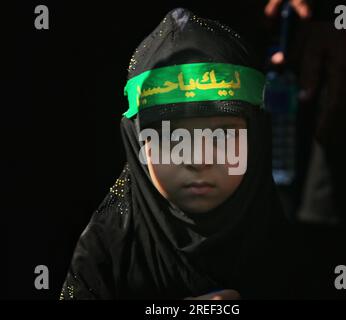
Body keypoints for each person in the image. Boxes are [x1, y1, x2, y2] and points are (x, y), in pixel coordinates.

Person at [60, 7, 294, 300]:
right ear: (136, 143)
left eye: (223, 135)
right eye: (172, 138)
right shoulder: (107, 246)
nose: (198, 159)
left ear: (257, 138)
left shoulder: (290, 247)